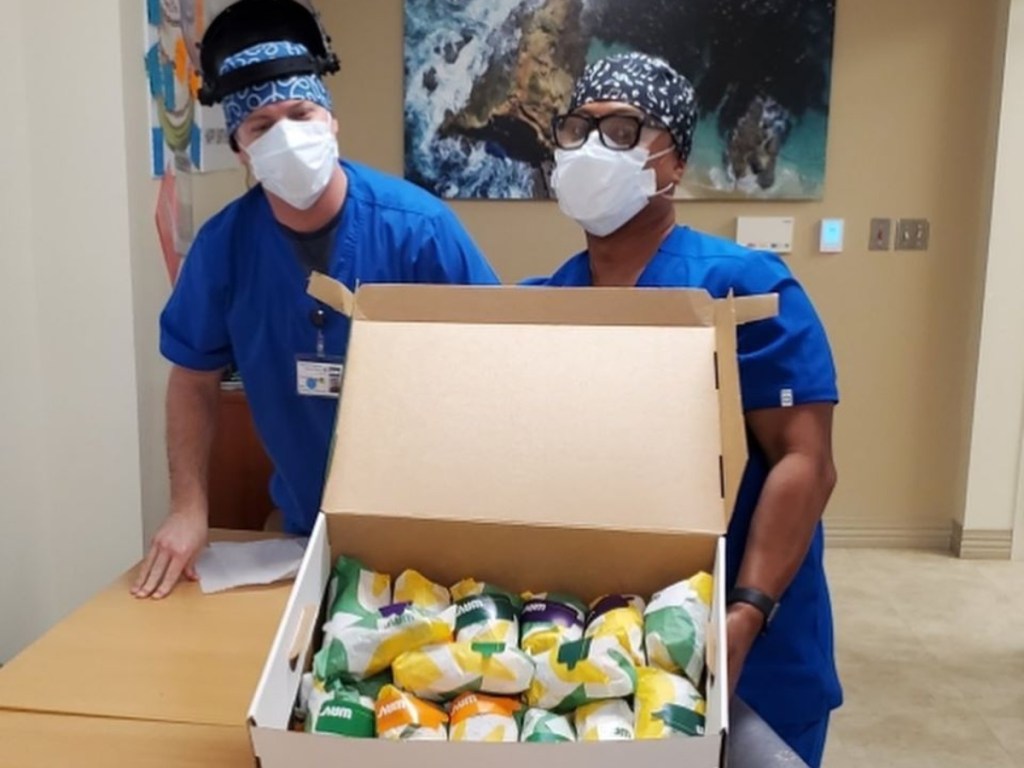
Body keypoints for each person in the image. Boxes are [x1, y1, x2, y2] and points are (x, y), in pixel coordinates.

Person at [531, 52, 841, 767]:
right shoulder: (550, 300)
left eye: (622, 131)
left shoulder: (744, 289)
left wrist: (746, 611)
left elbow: (807, 461)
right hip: (601, 630)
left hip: (747, 647)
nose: (588, 148)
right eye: (578, 128)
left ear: (673, 164)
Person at [132, 27, 500, 600]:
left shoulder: (420, 231)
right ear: (240, 149)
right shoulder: (224, 247)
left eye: (301, 114)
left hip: (434, 530)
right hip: (305, 532)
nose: (286, 136)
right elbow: (192, 380)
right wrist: (187, 508)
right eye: (261, 126)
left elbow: (500, 359)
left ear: (331, 122)